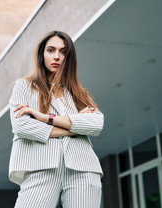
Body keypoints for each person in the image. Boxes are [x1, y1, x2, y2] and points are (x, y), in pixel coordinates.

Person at [8, 30, 104, 208]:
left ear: (69, 58)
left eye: (63, 52)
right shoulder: (24, 87)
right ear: (41, 54)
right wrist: (73, 126)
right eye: (51, 50)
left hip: (82, 169)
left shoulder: (80, 94)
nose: (57, 57)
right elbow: (22, 126)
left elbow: (96, 124)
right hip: (40, 167)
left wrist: (45, 118)